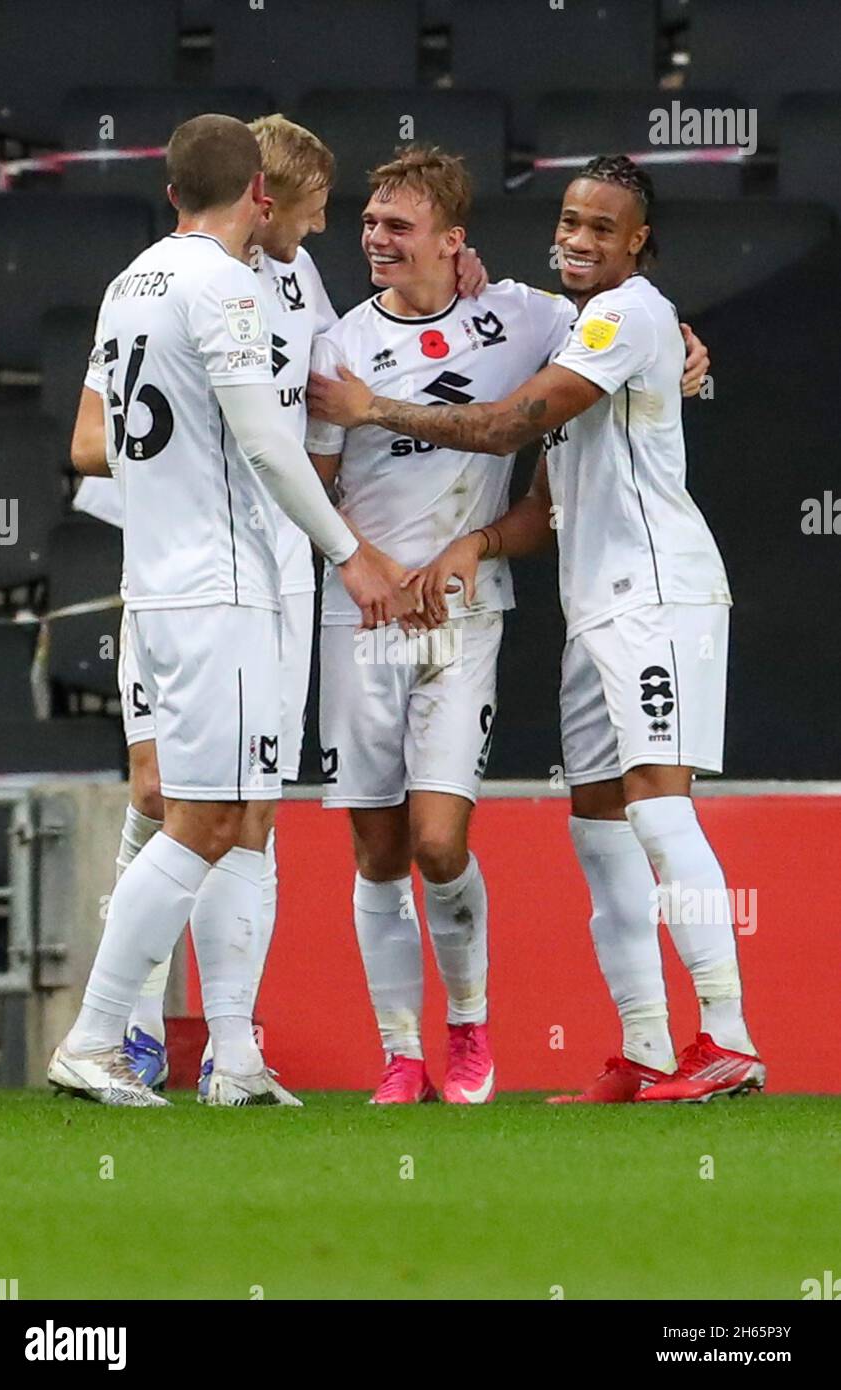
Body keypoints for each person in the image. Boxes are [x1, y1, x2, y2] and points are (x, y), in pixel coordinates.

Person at [308, 154, 762, 1105]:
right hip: (591, 603)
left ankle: (727, 1036)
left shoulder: (627, 313)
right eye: (569, 222)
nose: (578, 239)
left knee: (658, 804)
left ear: (637, 242)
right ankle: (643, 1046)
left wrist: (374, 408)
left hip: (658, 594)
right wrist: (479, 537)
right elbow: (547, 497)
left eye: (602, 228)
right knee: (598, 826)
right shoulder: (577, 325)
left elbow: (513, 424)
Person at [72, 116, 486, 1103]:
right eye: (318, 206)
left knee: (243, 811)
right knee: (183, 805)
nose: (332, 226)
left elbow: (341, 376)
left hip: (244, 577)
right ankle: (113, 1032)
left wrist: (465, 295)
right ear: (263, 194)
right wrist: (345, 547)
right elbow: (207, 441)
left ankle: (229, 1053)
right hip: (208, 572)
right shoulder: (216, 286)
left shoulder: (210, 280)